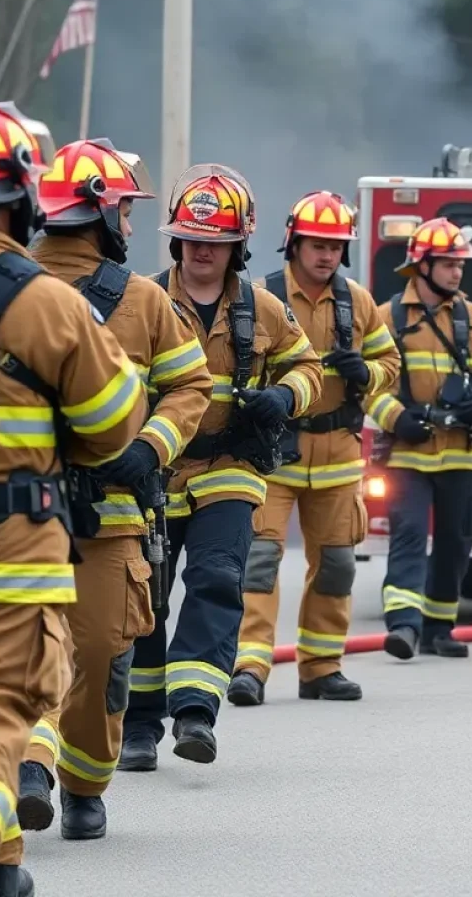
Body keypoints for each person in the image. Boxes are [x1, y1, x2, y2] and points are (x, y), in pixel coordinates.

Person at [0, 106, 148, 897]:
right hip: (7, 542)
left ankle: (0, 863)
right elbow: (113, 427)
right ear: (20, 198)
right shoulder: (46, 301)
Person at [13, 138, 213, 838]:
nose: (131, 226)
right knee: (33, 643)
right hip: (25, 507)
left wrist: (151, 448)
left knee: (100, 653)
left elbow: (191, 383)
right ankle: (31, 766)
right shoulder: (11, 287)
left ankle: (83, 786)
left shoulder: (144, 301)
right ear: (98, 213)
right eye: (125, 211)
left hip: (113, 512)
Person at [119, 164, 324, 771]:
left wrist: (285, 397)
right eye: (192, 237)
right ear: (176, 240)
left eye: (216, 240)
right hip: (155, 470)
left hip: (230, 468)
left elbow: (307, 367)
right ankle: (138, 725)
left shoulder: (263, 309)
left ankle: (194, 712)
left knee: (216, 577)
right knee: (145, 599)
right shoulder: (142, 301)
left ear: (238, 245)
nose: (203, 248)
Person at [227, 191, 400, 706]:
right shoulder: (263, 297)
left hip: (338, 457)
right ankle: (250, 666)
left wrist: (365, 372)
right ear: (294, 244)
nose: (326, 255)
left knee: (338, 564)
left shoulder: (359, 302)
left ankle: (321, 667)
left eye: (334, 246)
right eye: (316, 244)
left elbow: (389, 364)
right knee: (259, 559)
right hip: (276, 455)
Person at [366, 217, 472, 660]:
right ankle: (405, 627)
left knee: (455, 541)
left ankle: (440, 627)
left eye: (460, 265)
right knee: (409, 533)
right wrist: (396, 418)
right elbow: (370, 382)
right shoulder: (387, 316)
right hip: (409, 453)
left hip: (461, 455)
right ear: (422, 266)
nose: (456, 272)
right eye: (449, 264)